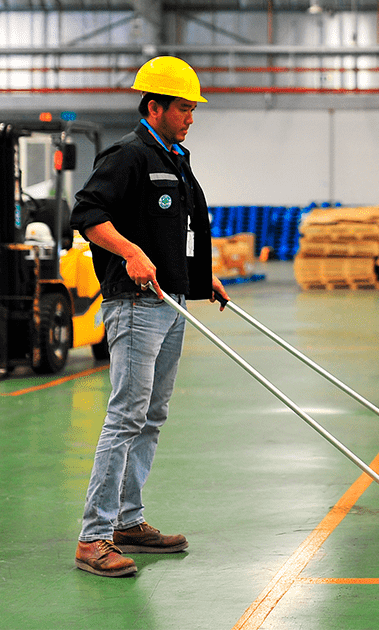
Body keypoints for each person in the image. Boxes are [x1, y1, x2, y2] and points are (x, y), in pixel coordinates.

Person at [71, 56, 229, 577]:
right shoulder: (129, 156)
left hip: (171, 300)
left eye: (192, 108)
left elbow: (170, 234)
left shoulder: (175, 158)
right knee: (126, 417)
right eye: (183, 107)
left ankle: (127, 522)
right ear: (155, 106)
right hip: (135, 305)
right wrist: (130, 252)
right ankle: (94, 537)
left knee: (151, 417)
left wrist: (198, 276)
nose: (191, 116)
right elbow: (89, 214)